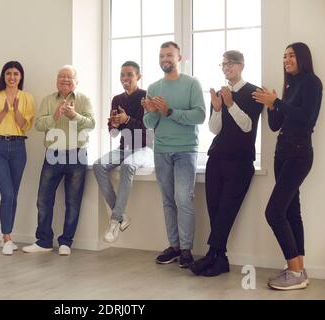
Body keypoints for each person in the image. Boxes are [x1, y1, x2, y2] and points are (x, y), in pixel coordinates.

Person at [253, 42, 322, 290]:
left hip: (299, 152)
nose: (286, 60)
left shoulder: (312, 82)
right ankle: (298, 269)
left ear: (302, 57)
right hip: (282, 153)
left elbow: (306, 119)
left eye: (291, 55)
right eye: (284, 56)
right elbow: (275, 125)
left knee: (274, 211)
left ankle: (294, 272)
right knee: (291, 211)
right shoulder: (290, 85)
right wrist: (272, 105)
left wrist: (277, 102)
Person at [189, 51, 263, 277]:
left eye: (230, 64)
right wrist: (219, 108)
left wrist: (230, 104)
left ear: (241, 65)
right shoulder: (221, 93)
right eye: (223, 64)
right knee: (215, 209)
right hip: (217, 159)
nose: (225, 68)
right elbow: (214, 129)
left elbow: (247, 126)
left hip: (240, 161)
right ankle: (219, 258)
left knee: (226, 211)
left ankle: (214, 255)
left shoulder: (254, 93)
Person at [142, 41, 205, 267]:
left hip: (186, 150)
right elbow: (149, 123)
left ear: (180, 57)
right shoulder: (153, 87)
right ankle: (175, 246)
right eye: (161, 55)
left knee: (183, 200)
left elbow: (199, 116)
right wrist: (153, 112)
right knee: (168, 201)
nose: (164, 59)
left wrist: (169, 111)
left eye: (169, 55)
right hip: (161, 151)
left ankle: (187, 249)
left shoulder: (191, 84)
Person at [22, 65, 95, 256]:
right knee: (43, 200)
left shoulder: (83, 99)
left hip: (77, 154)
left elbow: (92, 123)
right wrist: (55, 116)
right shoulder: (48, 100)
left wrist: (74, 116)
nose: (65, 80)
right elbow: (38, 125)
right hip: (53, 154)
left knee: (73, 201)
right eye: (61, 77)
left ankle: (66, 243)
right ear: (57, 81)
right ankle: (44, 241)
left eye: (69, 77)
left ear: (76, 81)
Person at [93, 61, 153, 243]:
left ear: (138, 77)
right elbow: (113, 133)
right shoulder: (117, 99)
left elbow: (149, 128)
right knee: (98, 165)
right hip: (123, 148)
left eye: (129, 75)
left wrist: (128, 119)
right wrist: (116, 124)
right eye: (122, 75)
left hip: (144, 148)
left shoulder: (146, 97)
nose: (125, 79)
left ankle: (113, 221)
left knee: (128, 166)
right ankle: (122, 216)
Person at [0, 61, 35, 256]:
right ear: (3, 76)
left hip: (19, 147)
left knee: (13, 193)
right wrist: (5, 110)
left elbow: (24, 126)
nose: (12, 77)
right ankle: (7, 237)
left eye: (16, 74)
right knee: (7, 193)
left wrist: (15, 109)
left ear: (21, 77)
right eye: (8, 74)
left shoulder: (27, 97)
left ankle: (7, 235)